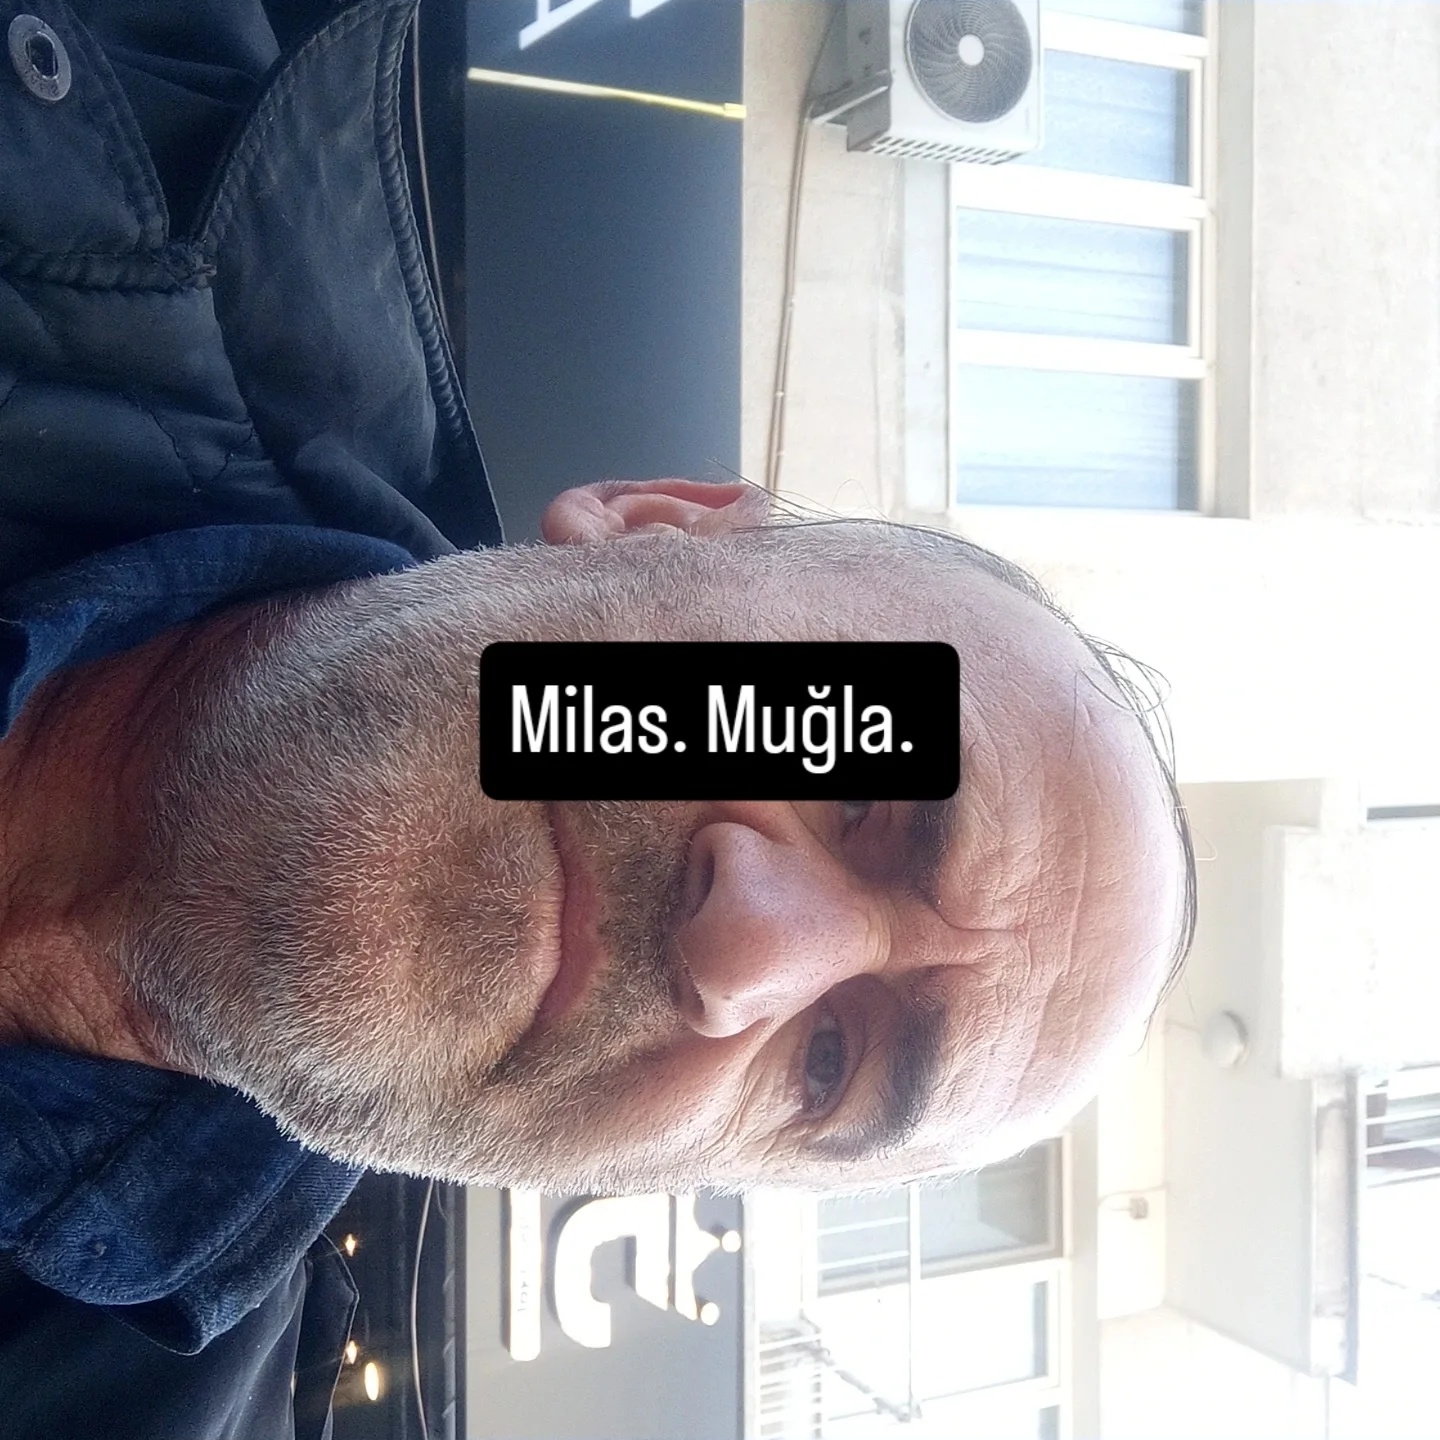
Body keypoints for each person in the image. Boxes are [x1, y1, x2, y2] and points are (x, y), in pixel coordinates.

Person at [0, 0, 1196, 1435]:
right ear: (657, 525)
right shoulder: (133, 67)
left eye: (828, 1062)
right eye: (856, 778)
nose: (743, 954)